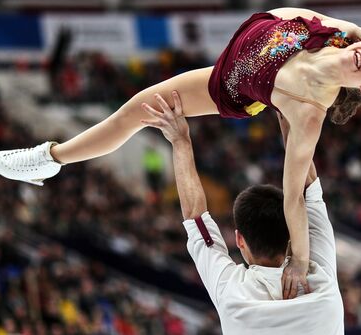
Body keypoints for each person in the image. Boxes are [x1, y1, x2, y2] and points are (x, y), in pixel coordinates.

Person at [0, 7, 361, 297]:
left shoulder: (309, 109)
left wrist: (298, 261)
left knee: (131, 115)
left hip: (227, 85)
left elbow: (295, 193)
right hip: (247, 45)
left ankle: (48, 159)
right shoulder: (347, 37)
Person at [143, 91, 344, 334]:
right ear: (292, 233)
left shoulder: (232, 292)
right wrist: (285, 102)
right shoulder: (319, 276)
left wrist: (180, 140)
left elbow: (196, 217)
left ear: (239, 240)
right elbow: (305, 183)